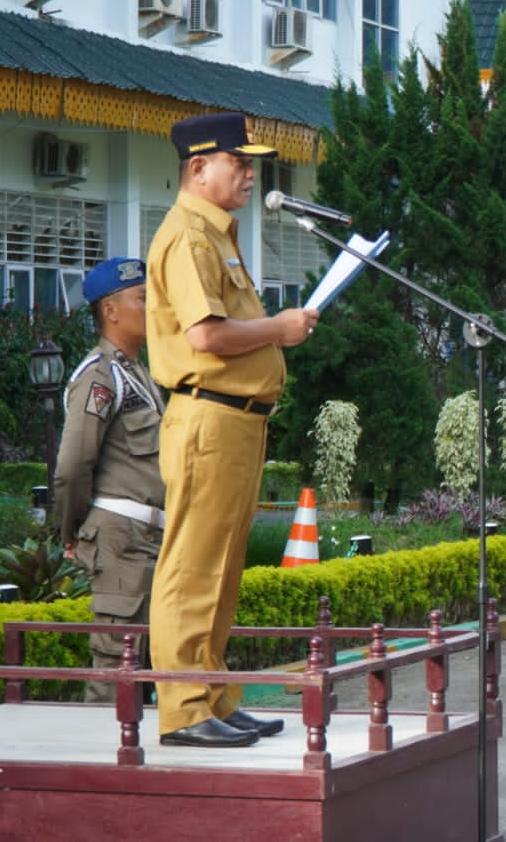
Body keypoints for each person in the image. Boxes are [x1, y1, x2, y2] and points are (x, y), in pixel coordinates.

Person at [146, 113, 317, 747]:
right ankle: (186, 709)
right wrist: (279, 328)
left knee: (222, 567)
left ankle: (212, 694)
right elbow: (206, 335)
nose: (251, 174)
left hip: (236, 421)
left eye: (252, 165)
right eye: (239, 163)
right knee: (193, 566)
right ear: (198, 168)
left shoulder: (217, 236)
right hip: (207, 416)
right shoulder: (189, 237)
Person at [55, 257, 165, 705]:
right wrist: (70, 531)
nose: (153, 307)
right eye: (142, 299)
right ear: (111, 310)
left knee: (154, 667)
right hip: (120, 537)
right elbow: (73, 464)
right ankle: (102, 770)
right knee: (116, 669)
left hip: (151, 535)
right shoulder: (100, 376)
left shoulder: (138, 373)